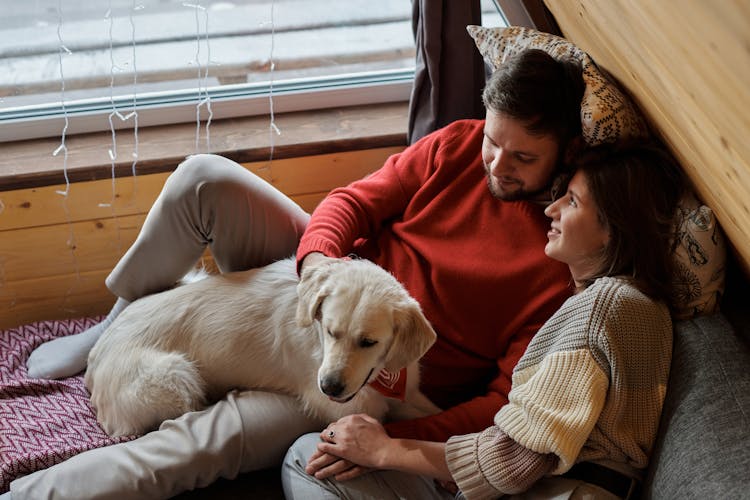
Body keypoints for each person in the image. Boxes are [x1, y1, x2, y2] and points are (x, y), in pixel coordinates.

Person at [8, 49, 583, 499]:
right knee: (204, 178)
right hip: (325, 289)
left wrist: (397, 441)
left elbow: (504, 402)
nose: (496, 167)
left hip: (371, 381)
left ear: (566, 150)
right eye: (491, 142)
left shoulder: (560, 261)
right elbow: (350, 204)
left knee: (209, 443)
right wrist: (316, 268)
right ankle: (114, 324)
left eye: (523, 159)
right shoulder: (457, 144)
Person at [281, 143, 685, 500]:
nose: (550, 209)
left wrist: (386, 449)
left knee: (306, 456)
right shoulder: (622, 304)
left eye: (573, 203)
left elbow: (516, 460)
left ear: (612, 230)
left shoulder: (604, 309)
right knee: (316, 451)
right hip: (521, 483)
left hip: (557, 490)